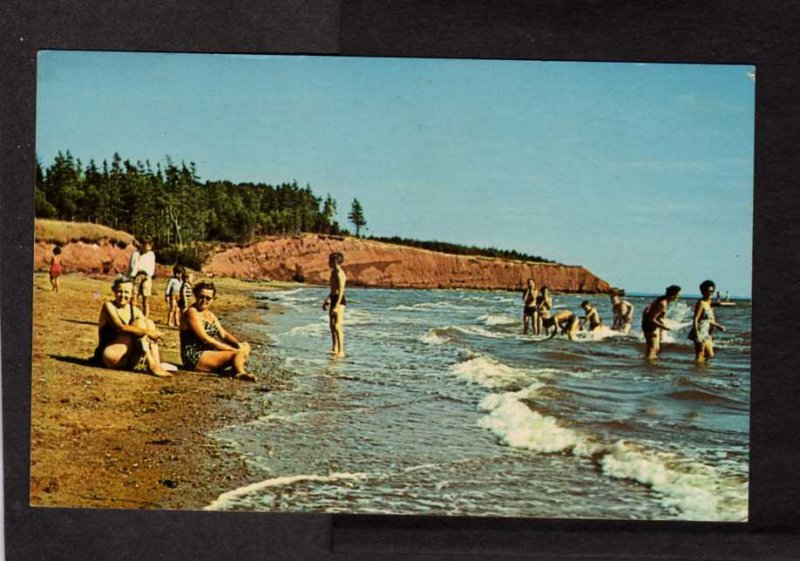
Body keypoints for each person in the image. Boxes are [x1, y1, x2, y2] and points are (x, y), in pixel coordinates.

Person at [92, 275, 172, 378]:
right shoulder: (109, 306)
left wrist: (154, 332)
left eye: (126, 292)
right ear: (114, 291)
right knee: (140, 326)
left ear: (132, 294)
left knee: (148, 323)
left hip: (128, 359)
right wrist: (148, 333)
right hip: (112, 356)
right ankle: (152, 365)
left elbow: (149, 327)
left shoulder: (134, 310)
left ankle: (156, 363)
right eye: (119, 291)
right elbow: (120, 327)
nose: (122, 295)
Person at [179, 280, 255, 381]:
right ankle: (240, 373)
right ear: (196, 296)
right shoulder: (192, 312)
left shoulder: (210, 315)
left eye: (208, 298)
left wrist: (238, 345)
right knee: (237, 354)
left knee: (246, 346)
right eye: (201, 297)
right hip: (195, 356)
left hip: (209, 352)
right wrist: (233, 350)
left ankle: (233, 368)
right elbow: (205, 338)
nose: (204, 300)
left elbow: (223, 334)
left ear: (213, 299)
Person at [689, 279, 727, 362]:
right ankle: (697, 372)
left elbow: (709, 320)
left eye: (712, 291)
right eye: (708, 291)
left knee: (710, 355)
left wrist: (718, 326)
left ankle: (703, 372)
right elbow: (695, 319)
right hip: (700, 331)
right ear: (702, 292)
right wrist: (696, 333)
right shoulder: (701, 303)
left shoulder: (709, 303)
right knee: (700, 354)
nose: (710, 293)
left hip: (706, 332)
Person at [641, 285, 681, 360]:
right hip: (650, 326)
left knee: (656, 348)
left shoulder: (663, 300)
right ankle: (649, 364)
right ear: (673, 295)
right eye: (678, 295)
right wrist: (664, 327)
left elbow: (650, 312)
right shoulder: (662, 303)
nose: (679, 296)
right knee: (653, 348)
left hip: (650, 325)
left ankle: (649, 364)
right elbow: (652, 318)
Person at [322, 251, 347, 357]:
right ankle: (334, 347)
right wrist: (327, 299)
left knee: (337, 325)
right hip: (333, 298)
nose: (328, 262)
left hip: (339, 300)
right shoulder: (333, 273)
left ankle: (341, 351)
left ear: (335, 261)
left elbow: (341, 291)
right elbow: (333, 289)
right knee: (331, 325)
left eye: (330, 260)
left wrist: (336, 306)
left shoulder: (341, 274)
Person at [127, 238, 156, 318]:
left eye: (149, 244)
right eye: (145, 244)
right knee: (133, 298)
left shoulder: (151, 255)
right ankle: (132, 317)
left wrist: (148, 275)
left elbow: (151, 267)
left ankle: (145, 318)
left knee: (145, 300)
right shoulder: (135, 254)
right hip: (135, 277)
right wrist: (127, 276)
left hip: (146, 277)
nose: (147, 246)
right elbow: (130, 266)